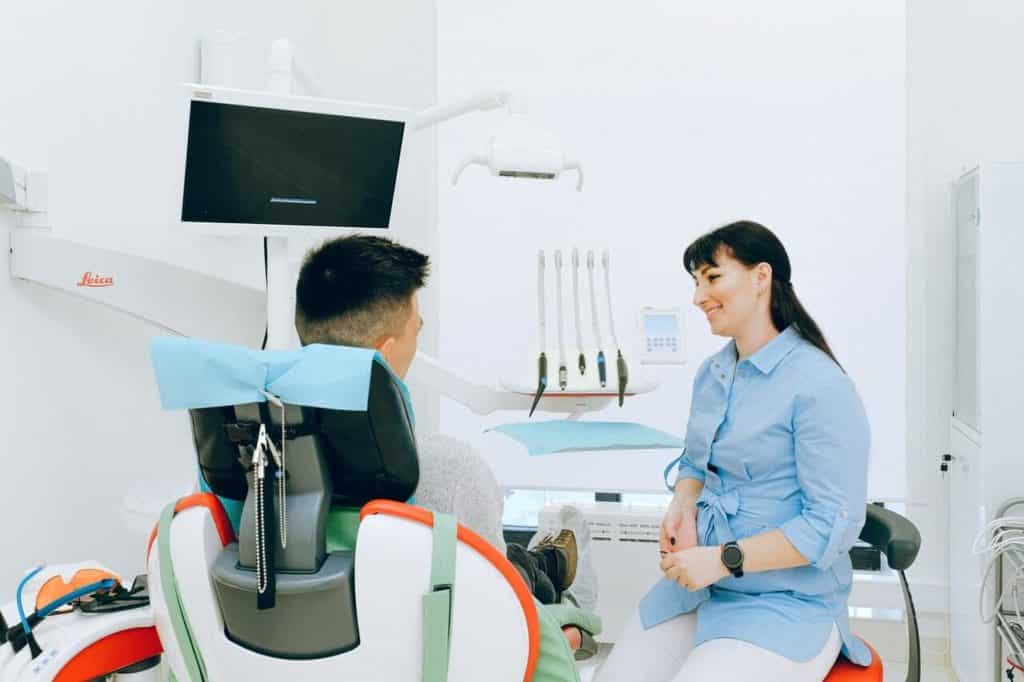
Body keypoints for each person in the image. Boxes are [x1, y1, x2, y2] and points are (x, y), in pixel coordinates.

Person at [595, 220, 870, 682]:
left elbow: (830, 524)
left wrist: (724, 558)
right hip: (704, 590)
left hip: (784, 602)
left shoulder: (820, 386)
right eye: (696, 281)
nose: (698, 296)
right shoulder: (715, 373)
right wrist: (682, 503)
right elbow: (694, 460)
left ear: (761, 277)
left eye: (712, 277)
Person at [294, 234, 592, 648]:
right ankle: (552, 564)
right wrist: (564, 641)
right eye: (418, 328)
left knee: (516, 561)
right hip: (435, 643)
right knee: (524, 575)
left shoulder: (242, 468)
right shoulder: (449, 468)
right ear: (386, 352)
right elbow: (499, 612)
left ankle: (544, 558)